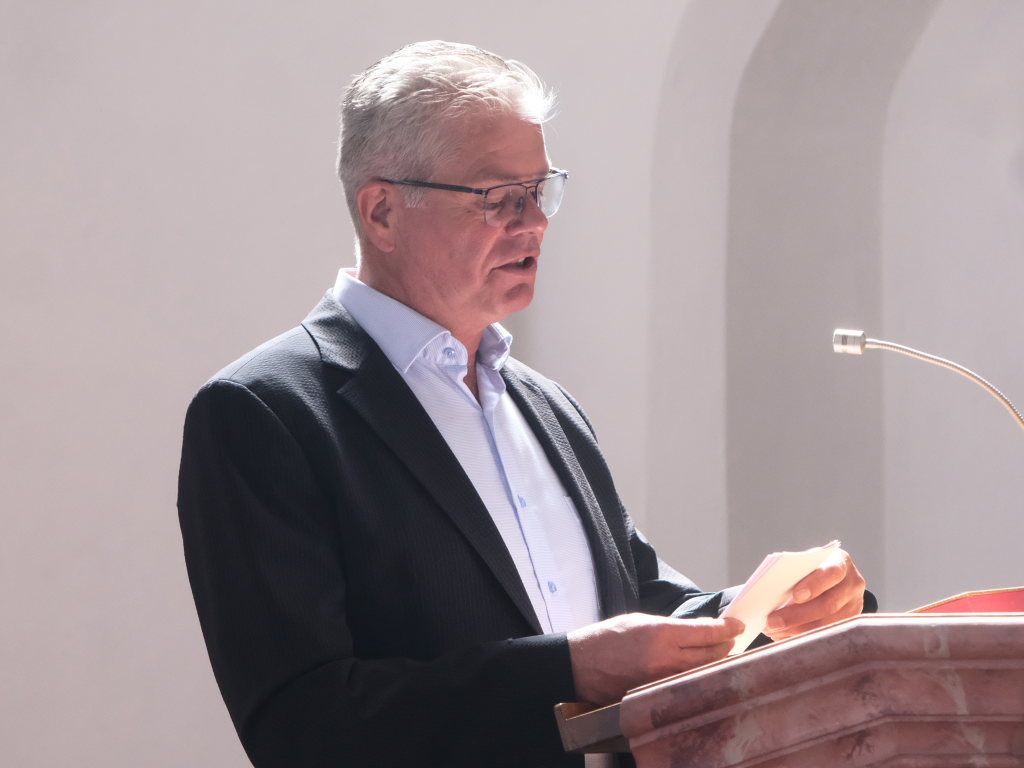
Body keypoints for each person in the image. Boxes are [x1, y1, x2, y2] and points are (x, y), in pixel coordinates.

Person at [177, 41, 871, 768]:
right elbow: (301, 725)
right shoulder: (264, 414)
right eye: (498, 197)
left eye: (540, 192)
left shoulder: (545, 404)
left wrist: (773, 616)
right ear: (382, 212)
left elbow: (636, 608)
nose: (534, 223)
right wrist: (567, 670)